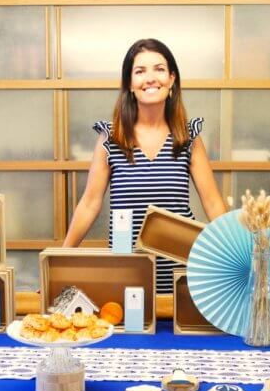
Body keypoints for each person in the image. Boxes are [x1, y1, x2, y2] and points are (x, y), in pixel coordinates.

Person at [62, 38, 226, 293]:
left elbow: (213, 203)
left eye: (159, 69)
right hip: (127, 276)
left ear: (172, 79)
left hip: (182, 275)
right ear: (129, 83)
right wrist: (61, 260)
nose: (150, 78)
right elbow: (90, 203)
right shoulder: (111, 138)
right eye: (140, 71)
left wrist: (241, 256)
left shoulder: (188, 136)